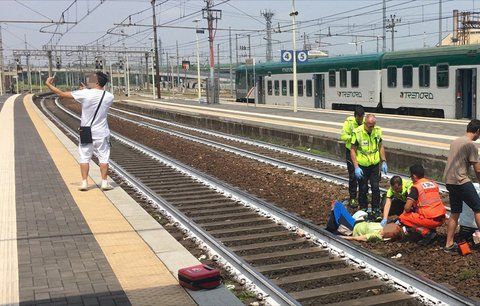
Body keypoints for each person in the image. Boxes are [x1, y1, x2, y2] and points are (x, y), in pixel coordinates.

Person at [45, 71, 114, 191]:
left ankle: (84, 183)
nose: (89, 79)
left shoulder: (84, 94)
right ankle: (104, 182)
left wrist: (48, 84)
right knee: (103, 157)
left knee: (84, 157)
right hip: (102, 132)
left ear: (96, 81)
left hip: (86, 131)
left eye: (92, 78)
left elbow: (61, 94)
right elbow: (94, 100)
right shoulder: (109, 96)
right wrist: (85, 91)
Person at [443, 119, 480, 253]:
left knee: (455, 211)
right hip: (461, 180)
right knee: (478, 208)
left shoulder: (456, 141)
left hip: (449, 181)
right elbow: (478, 169)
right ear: (477, 131)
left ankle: (448, 244)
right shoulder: (471, 145)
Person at [350, 114, 387, 218]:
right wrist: (356, 167)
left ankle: (376, 209)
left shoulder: (377, 131)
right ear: (365, 123)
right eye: (369, 126)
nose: (371, 128)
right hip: (362, 165)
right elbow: (353, 150)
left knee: (375, 187)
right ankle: (363, 208)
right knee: (363, 187)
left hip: (374, 165)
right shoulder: (357, 132)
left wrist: (384, 161)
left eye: (373, 125)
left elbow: (380, 146)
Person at [399, 164, 446, 246]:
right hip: (441, 218)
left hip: (430, 219)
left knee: (403, 218)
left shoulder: (416, 187)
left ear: (414, 176)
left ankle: (427, 233)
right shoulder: (433, 184)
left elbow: (407, 208)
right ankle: (431, 230)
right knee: (422, 212)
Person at [326, 201, 404, 242]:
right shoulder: (382, 227)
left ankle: (331, 228)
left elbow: (361, 238)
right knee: (338, 205)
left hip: (351, 228)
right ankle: (333, 226)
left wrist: (345, 237)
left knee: (337, 205)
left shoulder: (377, 235)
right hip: (356, 222)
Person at [340, 105, 365, 207]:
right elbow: (343, 136)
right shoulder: (349, 122)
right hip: (350, 151)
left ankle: (363, 195)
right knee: (353, 176)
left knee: (363, 176)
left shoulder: (364, 122)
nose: (361, 120)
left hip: (361, 152)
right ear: (355, 116)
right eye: (359, 118)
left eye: (362, 117)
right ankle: (353, 197)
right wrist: (354, 138)